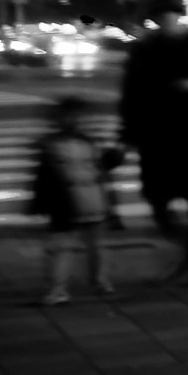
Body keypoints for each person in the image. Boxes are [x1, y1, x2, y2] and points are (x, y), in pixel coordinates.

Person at [118, 0, 188, 287]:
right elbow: (130, 96)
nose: (166, 19)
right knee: (157, 199)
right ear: (154, 18)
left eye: (170, 13)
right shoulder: (143, 50)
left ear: (178, 15)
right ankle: (183, 245)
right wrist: (126, 136)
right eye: (160, 15)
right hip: (157, 134)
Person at [30, 96, 116, 304]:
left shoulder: (89, 143)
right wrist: (39, 203)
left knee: (95, 245)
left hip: (92, 199)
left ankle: (99, 280)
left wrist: (112, 203)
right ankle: (58, 289)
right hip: (65, 202)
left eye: (78, 116)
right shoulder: (50, 145)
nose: (75, 120)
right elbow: (43, 178)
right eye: (70, 116)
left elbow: (103, 170)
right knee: (61, 246)